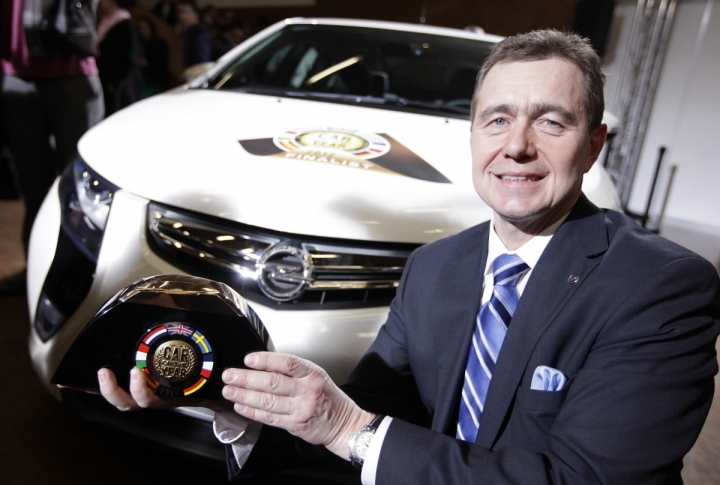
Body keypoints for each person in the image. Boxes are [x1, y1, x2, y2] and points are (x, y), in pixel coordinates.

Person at [97, 30, 720, 484]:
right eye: (496, 119)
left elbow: (581, 479)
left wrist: (346, 427)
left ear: (593, 146)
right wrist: (235, 401)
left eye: (551, 123)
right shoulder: (435, 267)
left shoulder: (662, 287)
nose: (517, 147)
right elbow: (371, 416)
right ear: (473, 134)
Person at [0, 0, 104, 294]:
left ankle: (85, 280)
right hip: (14, 75)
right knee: (33, 186)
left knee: (84, 188)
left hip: (70, 70)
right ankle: (35, 271)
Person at [97, 0, 140, 116]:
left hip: (118, 88)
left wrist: (113, 83)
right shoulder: (104, 20)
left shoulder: (125, 24)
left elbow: (130, 59)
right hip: (105, 83)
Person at [136, 17, 170, 98]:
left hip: (155, 80)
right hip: (139, 79)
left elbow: (163, 64)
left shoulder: (160, 43)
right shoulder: (137, 43)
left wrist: (147, 64)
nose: (143, 30)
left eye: (145, 27)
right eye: (140, 28)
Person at [175, 0, 212, 68]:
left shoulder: (200, 33)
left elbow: (202, 62)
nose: (181, 17)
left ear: (196, 13)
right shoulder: (188, 31)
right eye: (179, 13)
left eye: (185, 12)